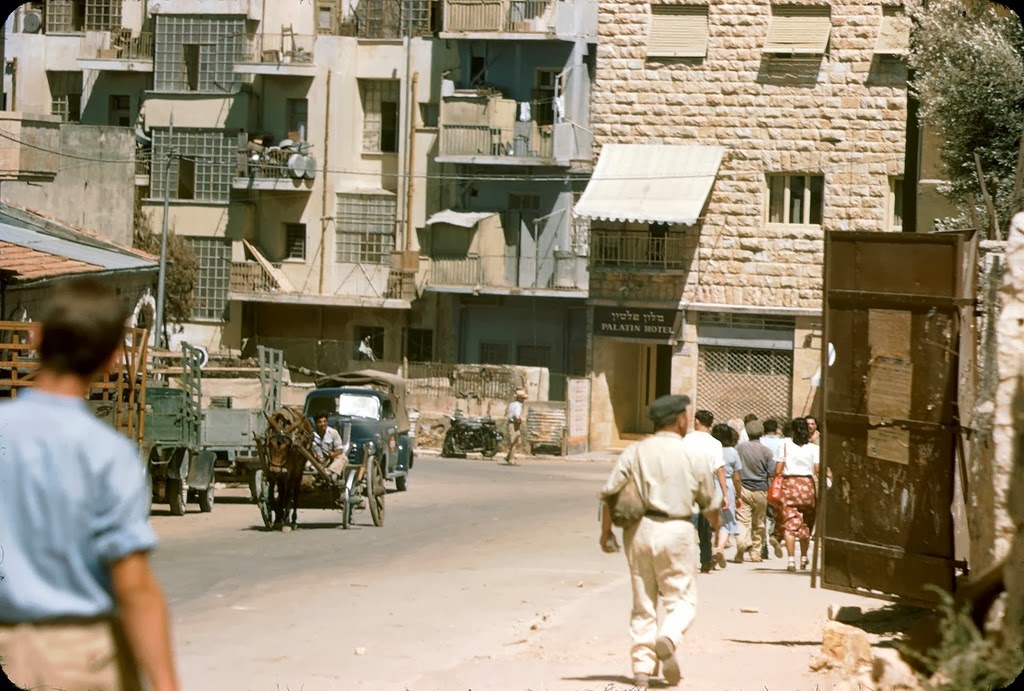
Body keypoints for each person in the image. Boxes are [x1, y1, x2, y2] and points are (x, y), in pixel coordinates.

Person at [0, 277, 179, 691]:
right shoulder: (109, 455)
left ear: (37, 338)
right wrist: (167, 683)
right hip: (81, 658)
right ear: (113, 359)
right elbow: (133, 585)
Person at [599, 395, 718, 689]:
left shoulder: (635, 451)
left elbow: (609, 492)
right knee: (682, 599)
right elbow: (709, 504)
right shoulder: (693, 454)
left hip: (639, 530)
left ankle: (641, 669)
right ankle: (669, 636)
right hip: (677, 529)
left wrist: (605, 534)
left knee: (643, 599)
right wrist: (716, 528)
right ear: (680, 419)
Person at [681, 409, 727, 573]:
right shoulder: (715, 443)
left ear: (697, 421)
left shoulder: (686, 440)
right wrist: (725, 493)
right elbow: (720, 468)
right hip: (707, 487)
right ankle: (706, 561)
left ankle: (684, 561)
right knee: (705, 527)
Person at [773, 417, 820, 572]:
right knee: (806, 523)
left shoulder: (785, 444)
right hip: (807, 487)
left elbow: (779, 468)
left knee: (790, 523)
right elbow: (817, 469)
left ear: (792, 430)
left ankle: (791, 559)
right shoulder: (814, 448)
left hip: (789, 486)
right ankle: (805, 556)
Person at [733, 419, 775, 563]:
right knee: (759, 523)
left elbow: (735, 468)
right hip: (761, 490)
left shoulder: (739, 448)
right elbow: (771, 472)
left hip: (743, 488)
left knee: (742, 520)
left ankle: (741, 542)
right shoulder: (766, 451)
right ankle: (755, 553)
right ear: (761, 433)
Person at [711, 423, 741, 566]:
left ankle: (711, 550)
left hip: (711, 483)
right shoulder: (733, 452)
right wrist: (739, 495)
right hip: (727, 485)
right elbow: (737, 477)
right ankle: (720, 548)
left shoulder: (712, 449)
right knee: (726, 521)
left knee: (711, 521)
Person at [504, 388, 527, 465]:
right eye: (523, 398)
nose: (524, 399)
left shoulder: (512, 404)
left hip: (510, 423)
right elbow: (517, 416)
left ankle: (509, 456)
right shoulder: (518, 406)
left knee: (517, 441)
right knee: (515, 441)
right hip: (514, 424)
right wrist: (521, 421)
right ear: (519, 398)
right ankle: (511, 459)